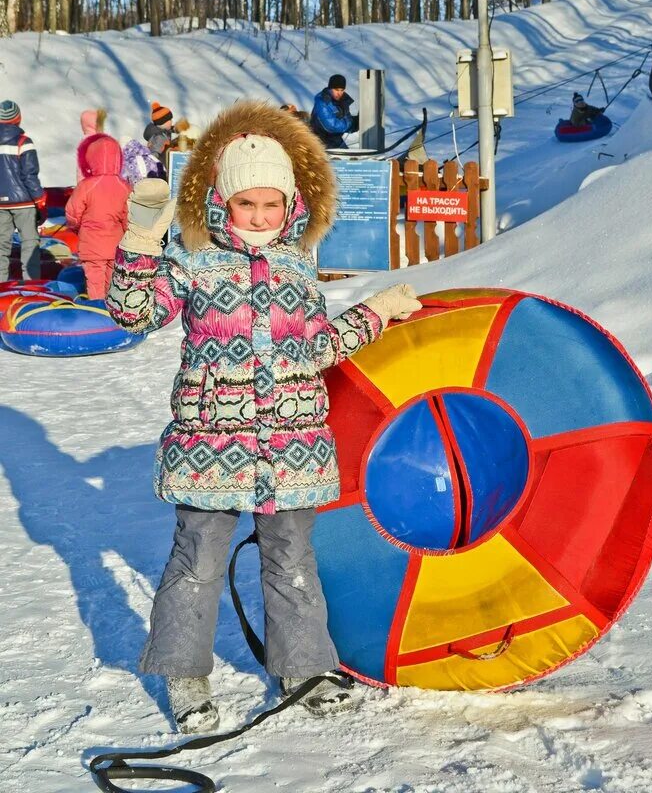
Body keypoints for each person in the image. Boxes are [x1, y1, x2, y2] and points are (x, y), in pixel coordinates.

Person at [106, 98, 421, 734]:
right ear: (222, 204)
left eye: (270, 203)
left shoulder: (299, 268)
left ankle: (304, 667)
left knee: (293, 560)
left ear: (291, 207)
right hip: (209, 442)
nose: (258, 216)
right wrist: (141, 238)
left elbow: (317, 347)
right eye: (244, 203)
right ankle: (185, 673)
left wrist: (375, 313)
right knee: (197, 560)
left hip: (292, 443)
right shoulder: (193, 264)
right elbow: (132, 311)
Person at [65, 135, 130, 300]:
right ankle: (112, 317)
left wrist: (78, 229)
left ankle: (97, 314)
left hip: (91, 244)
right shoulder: (124, 186)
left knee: (95, 284)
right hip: (116, 243)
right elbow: (129, 218)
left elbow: (73, 214)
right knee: (112, 282)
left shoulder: (86, 186)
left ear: (91, 159)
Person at [0, 100, 46, 283]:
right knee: (29, 244)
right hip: (24, 203)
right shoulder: (24, 142)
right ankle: (32, 285)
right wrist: (40, 200)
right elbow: (30, 176)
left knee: (1, 248)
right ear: (18, 119)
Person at [310, 74, 358, 149]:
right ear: (330, 88)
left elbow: (346, 119)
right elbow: (332, 126)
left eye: (342, 90)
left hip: (335, 140)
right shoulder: (322, 102)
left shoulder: (342, 102)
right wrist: (352, 124)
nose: (339, 93)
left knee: (352, 159)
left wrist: (356, 122)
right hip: (319, 143)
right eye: (336, 90)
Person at [77, 108, 107, 181]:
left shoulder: (86, 141)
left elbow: (81, 169)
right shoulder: (104, 140)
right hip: (105, 182)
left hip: (89, 184)